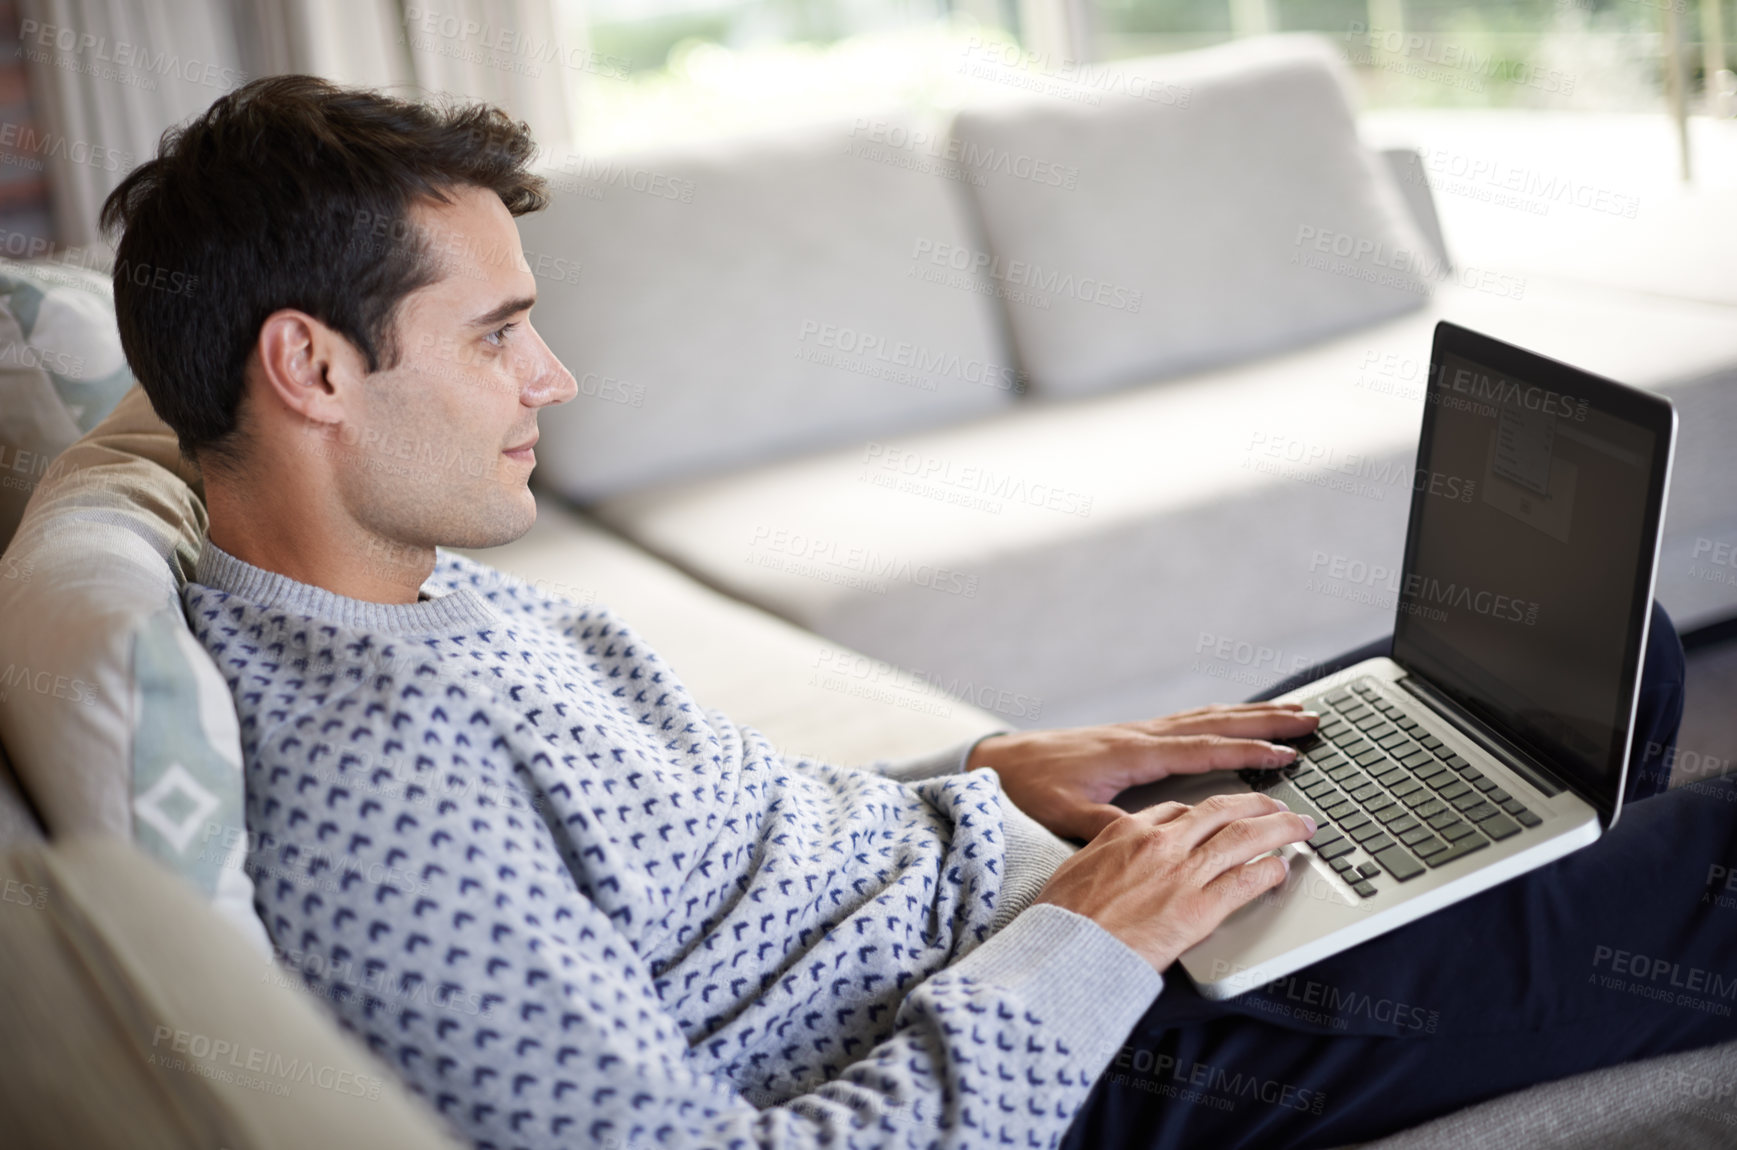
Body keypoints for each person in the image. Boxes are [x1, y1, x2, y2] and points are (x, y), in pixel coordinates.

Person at [103, 75, 1734, 1150]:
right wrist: (1091, 946)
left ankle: (1525, 950)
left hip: (1018, 896)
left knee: (1547, 681)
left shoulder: (416, 591)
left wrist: (991, 771)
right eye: (494, 337)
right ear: (311, 367)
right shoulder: (379, 795)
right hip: (1070, 1057)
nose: (554, 379)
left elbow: (706, 854)